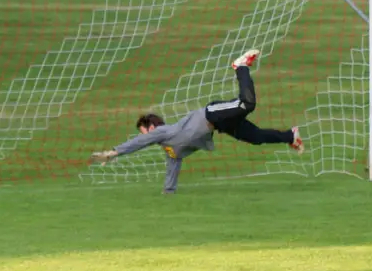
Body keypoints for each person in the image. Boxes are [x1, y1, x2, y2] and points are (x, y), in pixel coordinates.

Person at [90, 49, 304, 194]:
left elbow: (137, 143)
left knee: (247, 104)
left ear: (152, 127)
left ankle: (241, 66)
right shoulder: (170, 148)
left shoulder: (162, 133)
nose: (144, 135)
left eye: (143, 130)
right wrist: (168, 193)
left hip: (212, 114)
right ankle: (290, 136)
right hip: (220, 124)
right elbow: (173, 166)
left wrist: (114, 152)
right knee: (255, 137)